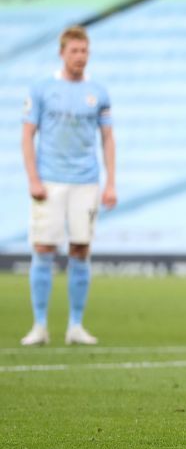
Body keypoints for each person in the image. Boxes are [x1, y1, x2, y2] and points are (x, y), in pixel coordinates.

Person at [20, 25, 117, 346]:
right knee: (44, 248)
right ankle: (40, 326)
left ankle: (75, 325)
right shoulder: (42, 89)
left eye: (84, 51)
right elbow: (27, 134)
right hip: (50, 180)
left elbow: (107, 138)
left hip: (85, 182)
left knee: (80, 249)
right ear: (62, 53)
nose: (80, 57)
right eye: (74, 51)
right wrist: (33, 178)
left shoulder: (98, 92)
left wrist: (110, 182)